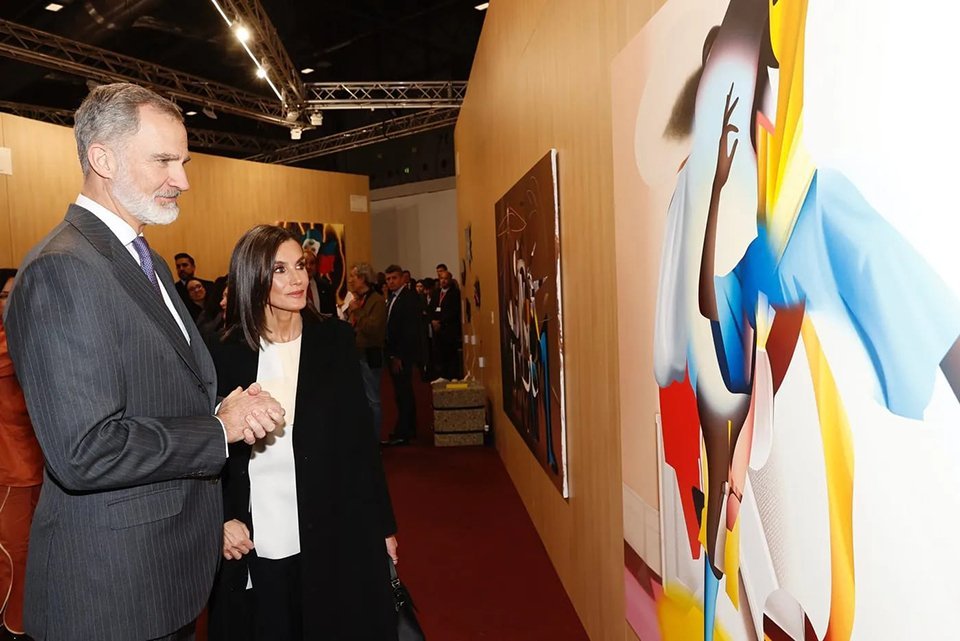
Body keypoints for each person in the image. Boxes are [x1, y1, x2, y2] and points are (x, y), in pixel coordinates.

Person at [2, 82, 285, 641]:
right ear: (101, 159)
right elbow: (85, 450)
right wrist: (217, 429)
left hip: (160, 575)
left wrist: (220, 405)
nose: (182, 179)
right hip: (112, 593)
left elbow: (157, 388)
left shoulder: (142, 256)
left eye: (183, 161)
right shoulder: (64, 269)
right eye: (164, 160)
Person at [207, 225, 399, 641]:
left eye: (300, 266)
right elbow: (207, 449)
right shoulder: (224, 352)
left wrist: (383, 526)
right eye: (279, 269)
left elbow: (360, 444)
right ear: (252, 276)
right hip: (256, 538)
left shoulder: (333, 340)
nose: (297, 279)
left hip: (332, 527)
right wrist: (220, 519)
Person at [0, 269, 43, 641]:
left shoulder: (28, 335)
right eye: (5, 295)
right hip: (11, 467)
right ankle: (15, 627)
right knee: (14, 552)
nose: (12, 301)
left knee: (31, 549)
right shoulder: (14, 340)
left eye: (18, 294)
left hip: (38, 462)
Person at [346, 262, 387, 441]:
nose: (350, 280)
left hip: (370, 355)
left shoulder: (376, 300)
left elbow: (374, 329)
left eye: (353, 276)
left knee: (373, 400)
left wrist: (358, 312)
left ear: (363, 278)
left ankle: (374, 439)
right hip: (357, 354)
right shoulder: (358, 299)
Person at [384, 264, 423, 445]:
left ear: (402, 279)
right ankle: (407, 428)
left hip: (403, 354)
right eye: (388, 279)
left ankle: (405, 430)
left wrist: (397, 355)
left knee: (404, 391)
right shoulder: (392, 298)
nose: (391, 282)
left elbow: (408, 331)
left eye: (394, 278)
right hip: (394, 352)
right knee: (401, 392)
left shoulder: (408, 298)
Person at [432, 271, 463, 380]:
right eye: (441, 278)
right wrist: (433, 321)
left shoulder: (455, 293)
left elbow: (454, 311)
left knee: (451, 355)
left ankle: (452, 376)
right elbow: (431, 308)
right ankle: (441, 375)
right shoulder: (436, 293)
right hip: (437, 329)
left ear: (450, 279)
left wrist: (441, 322)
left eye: (446, 278)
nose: (443, 281)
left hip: (449, 329)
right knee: (439, 354)